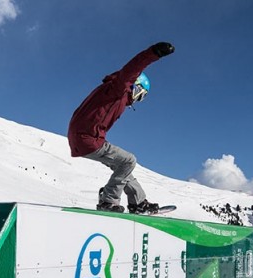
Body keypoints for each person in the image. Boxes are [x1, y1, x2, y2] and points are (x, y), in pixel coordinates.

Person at [67, 42, 175, 214]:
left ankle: (139, 202)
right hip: (87, 137)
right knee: (129, 160)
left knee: (123, 167)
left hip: (84, 136)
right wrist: (153, 53)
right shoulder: (118, 89)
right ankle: (108, 201)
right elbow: (132, 69)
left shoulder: (111, 94)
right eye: (140, 94)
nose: (138, 99)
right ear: (135, 86)